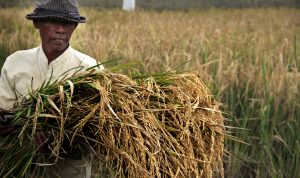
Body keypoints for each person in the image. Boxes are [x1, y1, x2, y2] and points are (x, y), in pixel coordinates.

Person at [0, 0, 104, 177]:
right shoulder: (15, 63)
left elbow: (99, 132)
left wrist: (62, 144)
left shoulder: (90, 70)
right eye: (52, 21)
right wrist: (13, 127)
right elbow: (5, 112)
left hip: (70, 171)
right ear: (37, 23)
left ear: (75, 27)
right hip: (20, 169)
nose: (61, 29)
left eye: (68, 23)